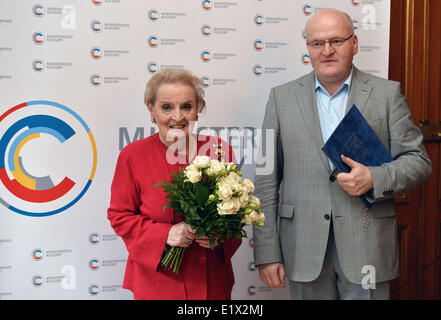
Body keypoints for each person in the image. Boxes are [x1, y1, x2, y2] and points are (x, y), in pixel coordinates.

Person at [252, 9, 432, 300]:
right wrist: (266, 251)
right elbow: (265, 180)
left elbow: (419, 162)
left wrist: (375, 177)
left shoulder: (387, 95)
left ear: (355, 44)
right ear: (308, 48)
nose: (327, 50)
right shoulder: (281, 98)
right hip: (303, 248)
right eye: (317, 43)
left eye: (336, 40)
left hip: (367, 244)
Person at [108, 68, 241, 300]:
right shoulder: (133, 156)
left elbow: (236, 215)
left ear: (197, 109)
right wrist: (165, 234)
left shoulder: (219, 150)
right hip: (158, 284)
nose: (177, 117)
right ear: (151, 109)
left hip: (212, 282)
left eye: (186, 107)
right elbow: (120, 216)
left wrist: (219, 236)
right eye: (167, 107)